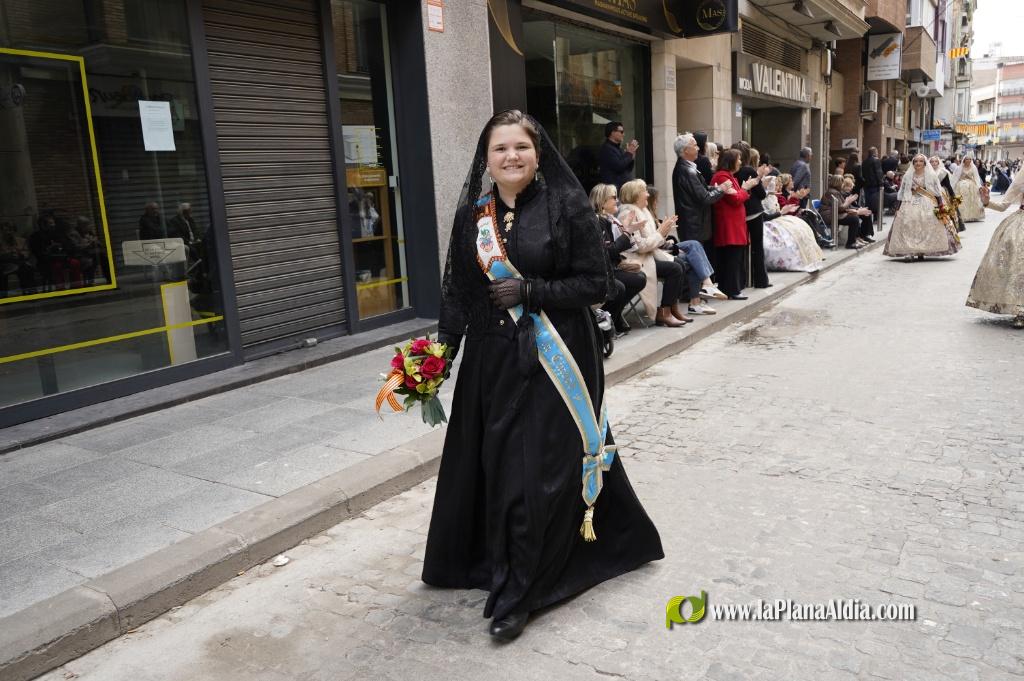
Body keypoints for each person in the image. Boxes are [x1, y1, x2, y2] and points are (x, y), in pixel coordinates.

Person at [425, 110, 663, 641]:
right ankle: (489, 562)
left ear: (538, 153)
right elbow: (459, 293)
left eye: (521, 148)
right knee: (492, 465)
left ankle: (522, 590)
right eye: (500, 149)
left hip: (555, 358)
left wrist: (531, 291)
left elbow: (596, 284)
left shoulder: (567, 206)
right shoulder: (474, 217)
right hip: (491, 359)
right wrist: (438, 358)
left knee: (533, 473)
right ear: (486, 159)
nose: (511, 157)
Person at [616, 179, 690, 326]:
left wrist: (664, 232)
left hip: (649, 255)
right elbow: (640, 247)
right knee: (675, 269)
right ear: (636, 195)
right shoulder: (628, 213)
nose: (648, 195)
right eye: (645, 191)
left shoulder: (643, 211)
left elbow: (653, 241)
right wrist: (660, 233)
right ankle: (664, 312)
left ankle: (672, 308)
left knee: (681, 263)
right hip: (637, 259)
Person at [967, 169, 1024, 327]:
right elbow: (1003, 205)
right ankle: (1020, 310)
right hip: (1021, 225)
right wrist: (986, 201)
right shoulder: (1022, 177)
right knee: (1018, 268)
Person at [883, 154, 961, 261]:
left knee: (928, 221)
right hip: (910, 201)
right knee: (908, 222)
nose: (918, 163)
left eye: (920, 161)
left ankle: (923, 250)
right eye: (916, 161)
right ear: (913, 163)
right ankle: (909, 251)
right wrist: (897, 208)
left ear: (924, 164)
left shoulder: (931, 175)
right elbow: (901, 193)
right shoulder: (907, 175)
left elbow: (937, 192)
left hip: (927, 201)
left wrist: (941, 206)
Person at [591, 183, 645, 335]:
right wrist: (627, 232)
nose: (617, 201)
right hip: (601, 270)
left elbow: (615, 247)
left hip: (612, 266)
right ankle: (604, 321)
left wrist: (627, 229)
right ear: (602, 202)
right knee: (620, 286)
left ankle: (614, 316)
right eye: (613, 197)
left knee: (639, 278)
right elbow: (609, 250)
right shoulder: (598, 221)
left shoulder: (608, 219)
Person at [672, 133, 730, 263]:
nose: (698, 148)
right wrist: (722, 189)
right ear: (686, 150)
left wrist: (717, 188)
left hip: (694, 224)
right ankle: (698, 284)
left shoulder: (688, 168)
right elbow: (705, 197)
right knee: (695, 262)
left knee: (696, 261)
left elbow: (703, 189)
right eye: (695, 145)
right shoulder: (687, 171)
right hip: (694, 225)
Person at [711, 149, 758, 299]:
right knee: (732, 258)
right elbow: (735, 199)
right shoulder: (722, 176)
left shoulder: (728, 176)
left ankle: (730, 288)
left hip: (733, 223)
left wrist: (742, 191)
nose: (740, 162)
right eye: (738, 159)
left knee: (733, 257)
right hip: (729, 224)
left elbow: (737, 196)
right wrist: (745, 189)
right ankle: (732, 290)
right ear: (731, 160)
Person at [761, 176, 825, 272]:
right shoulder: (765, 198)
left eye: (778, 185)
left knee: (800, 225)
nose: (778, 187)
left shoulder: (774, 196)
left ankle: (809, 254)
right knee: (791, 231)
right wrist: (784, 210)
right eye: (775, 185)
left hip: (778, 218)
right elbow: (767, 214)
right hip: (769, 222)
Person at [735, 145, 771, 288]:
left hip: (739, 212)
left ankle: (743, 280)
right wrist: (762, 183)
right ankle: (761, 280)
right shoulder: (749, 170)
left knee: (741, 248)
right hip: (754, 212)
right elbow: (761, 194)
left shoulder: (731, 172)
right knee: (757, 246)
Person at [818, 175, 866, 250]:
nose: (843, 184)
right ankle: (851, 243)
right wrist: (849, 201)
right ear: (838, 183)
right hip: (830, 216)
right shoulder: (833, 192)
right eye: (842, 182)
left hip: (834, 214)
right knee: (854, 219)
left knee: (855, 216)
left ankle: (855, 240)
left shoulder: (835, 191)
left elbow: (842, 207)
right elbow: (840, 208)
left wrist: (854, 209)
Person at [598, 121, 638, 189]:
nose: (623, 134)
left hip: (623, 189)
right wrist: (629, 153)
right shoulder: (606, 149)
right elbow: (619, 166)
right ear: (612, 132)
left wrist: (631, 157)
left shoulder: (618, 148)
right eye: (621, 132)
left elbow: (628, 169)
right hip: (615, 190)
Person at [930, 156, 965, 233]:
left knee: (944, 209)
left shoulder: (943, 172)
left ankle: (947, 226)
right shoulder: (927, 172)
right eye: (932, 162)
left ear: (938, 163)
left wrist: (953, 196)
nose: (934, 163)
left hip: (942, 193)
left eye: (935, 161)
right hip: (930, 193)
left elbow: (948, 185)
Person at [841, 176, 875, 244]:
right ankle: (859, 236)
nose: (850, 188)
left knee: (867, 214)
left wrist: (860, 208)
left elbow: (853, 205)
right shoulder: (843, 194)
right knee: (859, 217)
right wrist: (859, 209)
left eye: (850, 186)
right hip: (847, 211)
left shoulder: (847, 193)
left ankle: (864, 235)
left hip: (850, 210)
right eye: (848, 186)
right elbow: (847, 206)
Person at [952, 156, 986, 222]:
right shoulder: (959, 168)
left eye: (970, 159)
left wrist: (979, 187)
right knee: (963, 200)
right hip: (961, 185)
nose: (968, 160)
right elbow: (955, 177)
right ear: (964, 160)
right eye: (967, 159)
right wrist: (953, 186)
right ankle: (962, 216)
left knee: (972, 200)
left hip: (972, 185)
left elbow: (976, 178)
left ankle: (973, 215)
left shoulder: (973, 167)